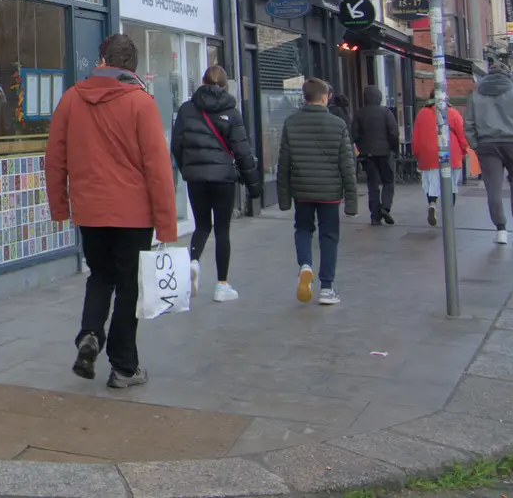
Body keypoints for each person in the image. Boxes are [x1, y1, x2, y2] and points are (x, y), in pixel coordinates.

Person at [46, 33, 177, 391]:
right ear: (132, 67)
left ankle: (90, 334)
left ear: (103, 62)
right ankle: (124, 366)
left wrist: (60, 206)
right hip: (135, 215)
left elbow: (54, 159)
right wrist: (167, 226)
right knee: (129, 287)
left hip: (90, 211)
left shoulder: (72, 99)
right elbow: (157, 169)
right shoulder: (141, 104)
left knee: (100, 276)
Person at [170, 65, 260, 303]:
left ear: (202, 81)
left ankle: (193, 261)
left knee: (201, 226)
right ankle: (222, 285)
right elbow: (242, 151)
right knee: (222, 230)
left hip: (196, 178)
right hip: (223, 179)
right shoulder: (231, 110)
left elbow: (176, 145)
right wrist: (254, 186)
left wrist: (187, 168)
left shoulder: (187, 109)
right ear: (224, 85)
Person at [277, 78, 358, 306]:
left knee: (303, 229)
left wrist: (284, 198)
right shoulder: (338, 124)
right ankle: (327, 287)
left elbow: (283, 163)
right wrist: (352, 201)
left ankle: (305, 265)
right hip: (330, 193)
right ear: (324, 97)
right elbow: (347, 164)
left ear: (305, 97)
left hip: (302, 190)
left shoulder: (291, 123)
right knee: (329, 236)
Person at [463, 63, 513, 245]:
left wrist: (476, 145)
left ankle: (500, 230)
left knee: (493, 188)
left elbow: (468, 124)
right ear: (507, 74)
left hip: (487, 145)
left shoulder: (476, 96)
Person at [413, 90, 468, 228]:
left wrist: (417, 153)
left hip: (429, 154)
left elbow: (416, 137)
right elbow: (462, 135)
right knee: (451, 185)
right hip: (451, 153)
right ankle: (449, 212)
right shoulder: (453, 113)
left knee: (432, 182)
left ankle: (432, 204)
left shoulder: (422, 113)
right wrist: (464, 149)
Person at [350, 85, 400, 226]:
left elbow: (354, 135)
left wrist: (361, 149)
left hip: (367, 154)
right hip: (384, 153)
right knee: (388, 181)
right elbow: (394, 133)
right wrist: (394, 149)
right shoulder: (386, 113)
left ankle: (374, 216)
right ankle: (385, 207)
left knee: (372, 185)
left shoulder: (359, 114)